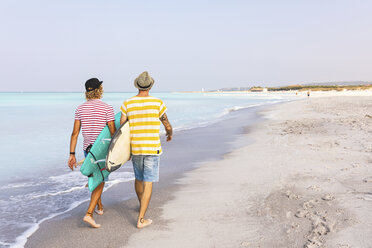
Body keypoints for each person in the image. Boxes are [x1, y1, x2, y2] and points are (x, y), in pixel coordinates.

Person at [120, 71, 173, 229]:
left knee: (138, 178)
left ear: (137, 86)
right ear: (150, 86)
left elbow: (121, 129)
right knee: (148, 182)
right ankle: (141, 219)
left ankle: (141, 205)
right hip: (151, 148)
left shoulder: (127, 103)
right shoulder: (158, 103)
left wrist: (124, 150)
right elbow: (166, 123)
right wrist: (170, 133)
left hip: (135, 147)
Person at [68, 78, 116, 228]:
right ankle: (89, 214)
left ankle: (99, 207)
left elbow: (75, 133)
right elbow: (112, 130)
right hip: (101, 149)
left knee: (96, 177)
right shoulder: (107, 108)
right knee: (100, 179)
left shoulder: (80, 109)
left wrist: (71, 154)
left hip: (87, 149)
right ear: (99, 90)